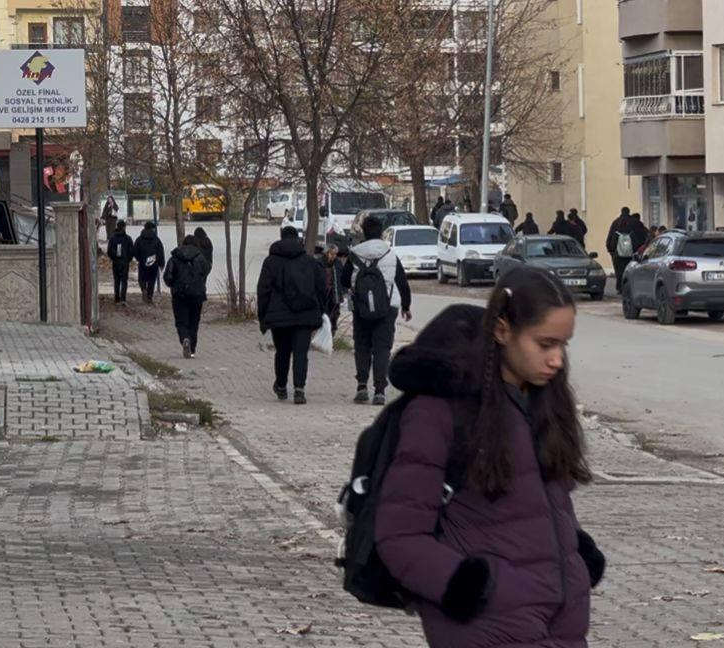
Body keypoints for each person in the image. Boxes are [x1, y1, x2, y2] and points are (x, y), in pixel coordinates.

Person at [375, 266, 604, 648]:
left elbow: (530, 507)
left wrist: (573, 551)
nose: (557, 360)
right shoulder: (441, 409)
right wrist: (462, 585)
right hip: (486, 624)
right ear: (501, 330)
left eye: (563, 345)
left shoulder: (541, 402)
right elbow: (399, 534)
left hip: (559, 620)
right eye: (545, 344)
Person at [342, 215, 412, 406]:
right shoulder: (390, 254)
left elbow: (344, 280)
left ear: (363, 231)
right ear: (381, 232)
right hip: (387, 307)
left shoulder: (354, 254)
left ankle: (362, 387)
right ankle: (380, 390)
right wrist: (406, 306)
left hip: (361, 307)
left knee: (362, 346)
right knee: (382, 348)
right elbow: (402, 282)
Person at [257, 226, 326, 405]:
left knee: (282, 352)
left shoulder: (270, 262)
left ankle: (281, 385)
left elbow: (263, 290)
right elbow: (321, 288)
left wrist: (263, 316)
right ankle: (299, 389)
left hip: (279, 317)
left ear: (281, 238)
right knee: (301, 353)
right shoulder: (310, 262)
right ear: (298, 239)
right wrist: (321, 312)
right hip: (305, 315)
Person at [163, 235, 212, 359]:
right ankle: (192, 349)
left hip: (180, 295)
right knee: (194, 322)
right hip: (197, 294)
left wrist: (174, 285)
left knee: (181, 321)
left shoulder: (174, 258)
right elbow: (206, 271)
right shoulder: (200, 257)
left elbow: (167, 277)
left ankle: (185, 339)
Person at [606, 208, 649, 294]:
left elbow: (610, 237)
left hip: (617, 253)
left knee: (619, 271)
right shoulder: (636, 223)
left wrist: (610, 250)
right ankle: (630, 287)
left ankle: (620, 288)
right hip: (632, 253)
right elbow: (644, 235)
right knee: (631, 270)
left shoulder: (616, 223)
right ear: (629, 212)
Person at [133, 222, 166, 304]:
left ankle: (143, 288)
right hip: (154, 263)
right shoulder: (156, 240)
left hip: (143, 262)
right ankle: (149, 296)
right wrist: (161, 263)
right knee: (152, 280)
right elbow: (160, 252)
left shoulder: (139, 239)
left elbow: (135, 251)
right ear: (152, 229)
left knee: (142, 278)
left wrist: (139, 259)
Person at [106, 220, 135, 306]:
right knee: (124, 280)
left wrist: (114, 258)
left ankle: (116, 298)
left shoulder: (113, 238)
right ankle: (123, 298)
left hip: (116, 262)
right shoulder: (128, 238)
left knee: (117, 280)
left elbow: (109, 251)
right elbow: (131, 251)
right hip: (124, 262)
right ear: (124, 227)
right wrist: (127, 259)